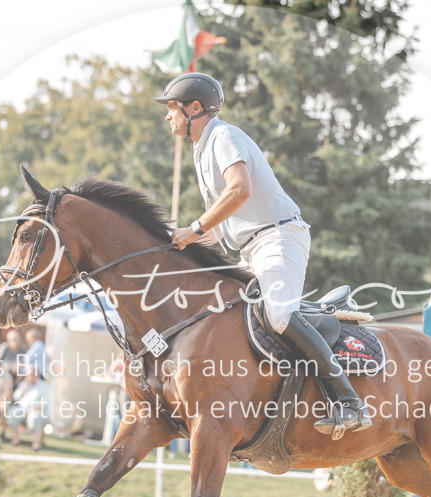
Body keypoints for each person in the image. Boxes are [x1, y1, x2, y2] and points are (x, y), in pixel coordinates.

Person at [157, 72, 371, 439]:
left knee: (279, 314)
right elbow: (220, 227)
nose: (167, 115)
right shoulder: (202, 149)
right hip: (251, 247)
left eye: (172, 108)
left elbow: (239, 190)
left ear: (194, 108)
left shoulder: (223, 137)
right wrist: (175, 248)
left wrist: (193, 229)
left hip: (279, 237)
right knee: (223, 314)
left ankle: (349, 401)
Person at [6, 369, 50, 450]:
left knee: (34, 417)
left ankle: (36, 444)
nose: (31, 377)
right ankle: (15, 440)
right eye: (29, 375)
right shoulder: (23, 384)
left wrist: (32, 410)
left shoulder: (44, 386)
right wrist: (25, 388)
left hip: (38, 411)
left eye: (33, 375)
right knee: (13, 413)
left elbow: (45, 403)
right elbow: (16, 397)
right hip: (22, 409)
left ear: (38, 375)